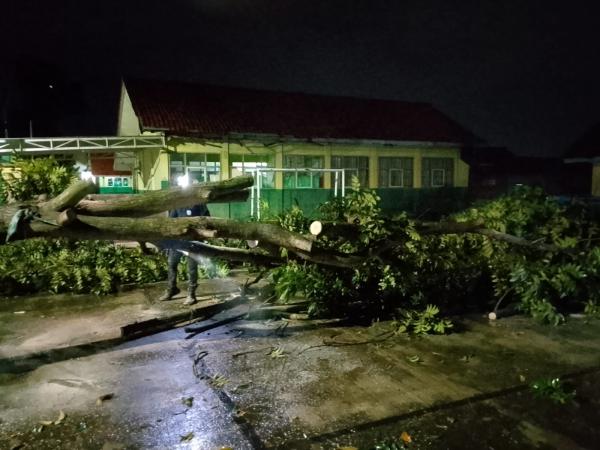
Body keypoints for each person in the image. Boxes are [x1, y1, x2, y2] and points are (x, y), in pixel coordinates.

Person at [158, 203, 210, 305]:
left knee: (191, 268)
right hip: (178, 241)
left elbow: (207, 220)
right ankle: (172, 289)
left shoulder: (199, 204)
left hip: (192, 242)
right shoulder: (178, 205)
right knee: (172, 264)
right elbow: (170, 221)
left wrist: (202, 237)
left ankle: (191, 294)